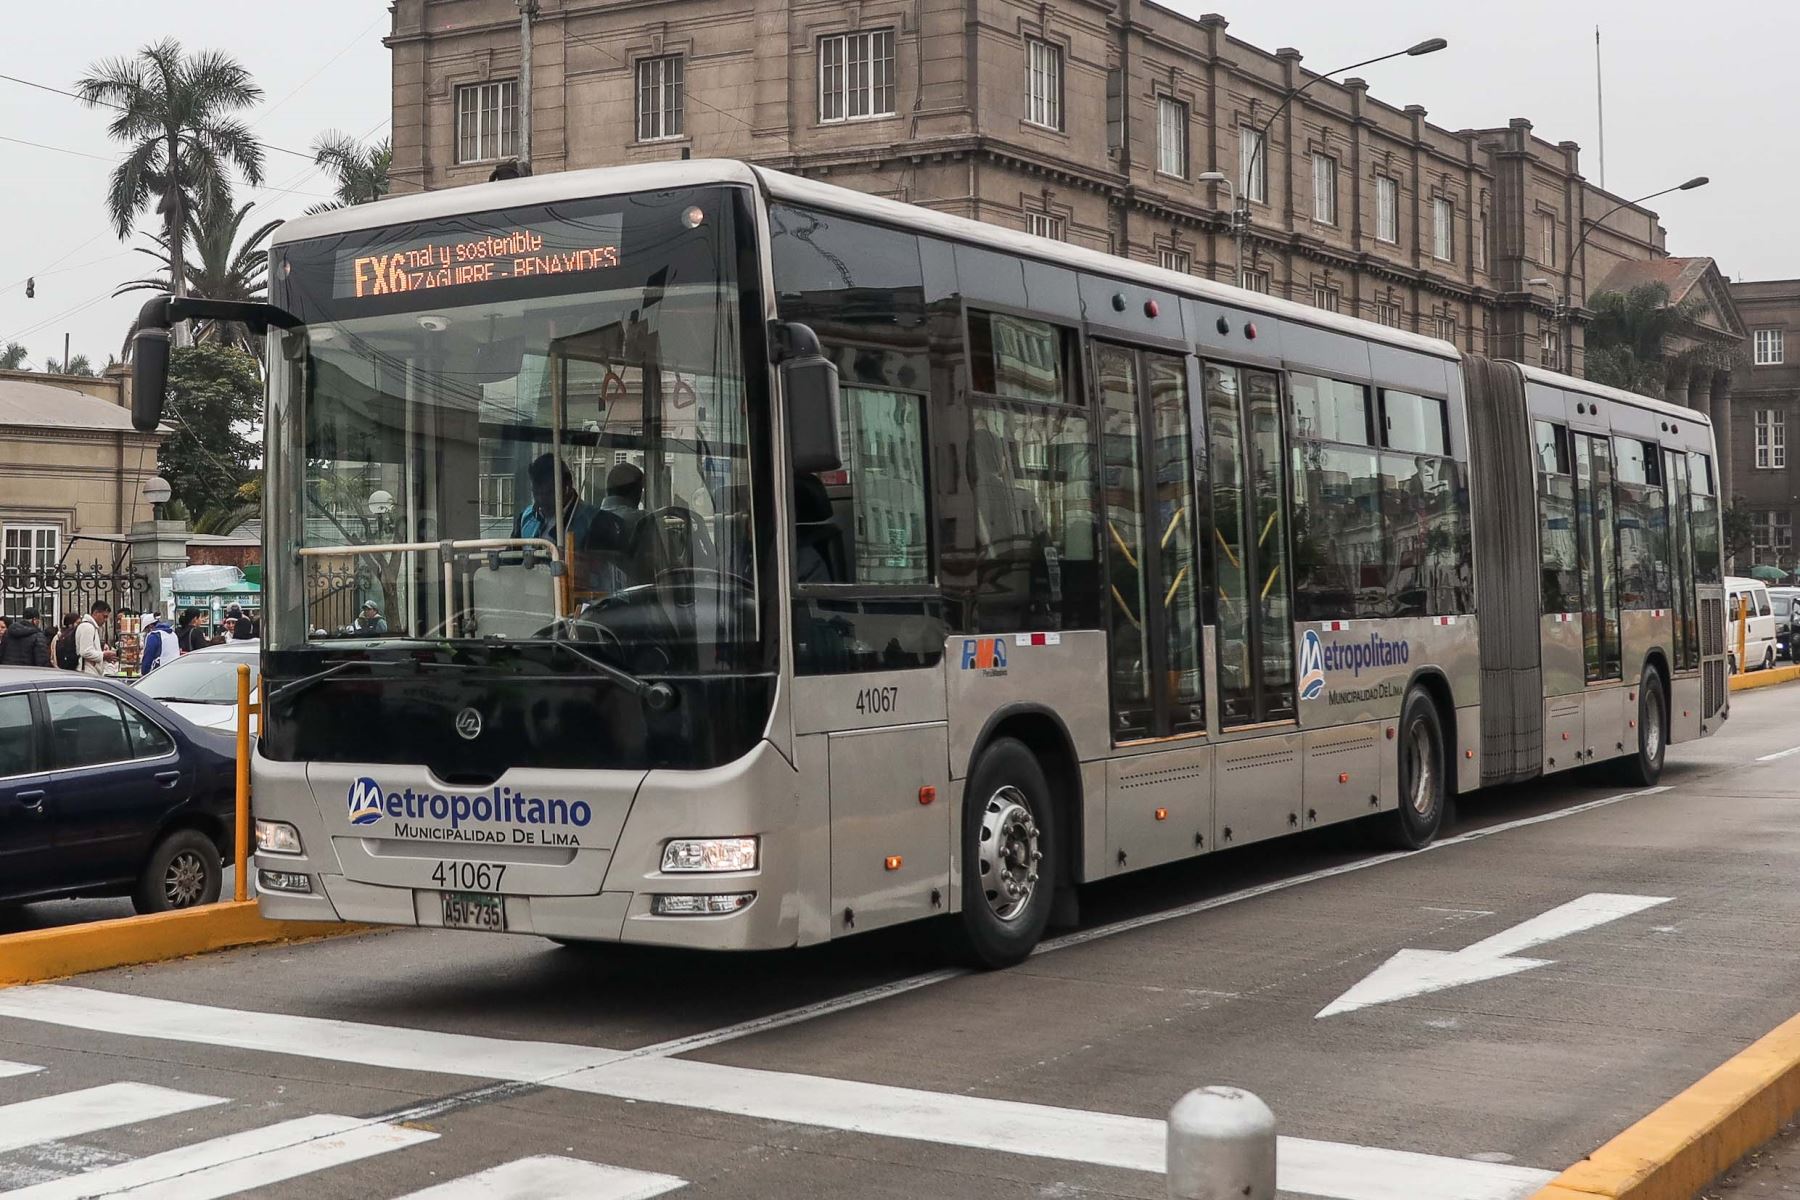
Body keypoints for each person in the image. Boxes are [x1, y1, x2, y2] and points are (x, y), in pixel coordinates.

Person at [513, 453, 599, 547]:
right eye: (536, 493)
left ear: (567, 487)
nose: (541, 500)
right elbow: (511, 558)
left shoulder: (592, 522)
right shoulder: (526, 517)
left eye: (548, 493)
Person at [74, 600, 116, 677]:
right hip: (87, 672)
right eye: (104, 616)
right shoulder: (88, 627)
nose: (105, 620)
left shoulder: (91, 627)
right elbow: (85, 652)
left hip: (90, 671)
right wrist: (103, 655)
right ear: (96, 613)